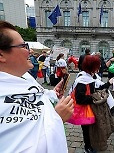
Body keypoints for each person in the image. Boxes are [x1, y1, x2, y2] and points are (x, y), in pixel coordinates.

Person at [0, 20, 74, 152]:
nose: (30, 51)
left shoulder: (25, 76)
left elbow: (34, 94)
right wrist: (57, 118)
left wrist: (51, 94)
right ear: (1, 55)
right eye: (23, 46)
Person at [70, 55, 113, 153]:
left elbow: (95, 88)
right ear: (93, 67)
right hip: (84, 110)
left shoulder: (89, 76)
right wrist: (94, 98)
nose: (99, 67)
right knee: (86, 130)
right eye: (97, 65)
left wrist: (108, 84)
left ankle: (92, 144)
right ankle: (88, 147)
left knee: (91, 129)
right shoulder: (83, 80)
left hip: (90, 107)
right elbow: (80, 99)